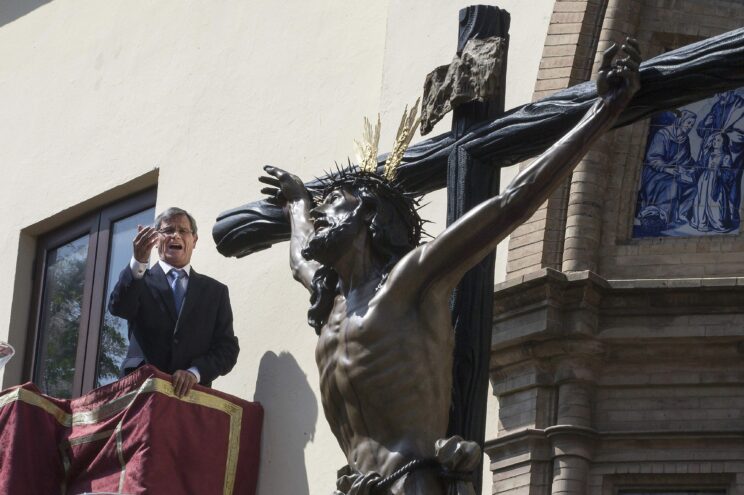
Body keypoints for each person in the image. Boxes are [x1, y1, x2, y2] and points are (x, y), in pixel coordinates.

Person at [259, 40, 641, 495]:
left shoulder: (409, 283)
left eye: (333, 204)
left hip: (411, 482)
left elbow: (510, 203)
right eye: (318, 209)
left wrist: (603, 111)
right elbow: (299, 255)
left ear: (367, 214)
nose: (321, 214)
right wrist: (297, 202)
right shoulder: (329, 302)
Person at [108, 207, 239, 397]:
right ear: (156, 239)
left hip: (189, 399)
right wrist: (138, 261)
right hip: (141, 392)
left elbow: (227, 349)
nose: (175, 235)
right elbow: (119, 307)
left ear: (194, 240)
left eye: (183, 230)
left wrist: (195, 373)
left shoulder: (215, 292)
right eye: (168, 230)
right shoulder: (139, 280)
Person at [638, 109, 697, 228]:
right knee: (672, 184)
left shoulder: (685, 139)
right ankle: (661, 217)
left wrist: (688, 169)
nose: (690, 126)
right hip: (656, 173)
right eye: (688, 123)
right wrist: (668, 169)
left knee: (692, 187)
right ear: (680, 121)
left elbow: (686, 160)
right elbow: (653, 158)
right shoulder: (663, 134)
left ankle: (679, 215)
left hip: (674, 172)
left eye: (692, 124)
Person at [691, 132, 736, 232]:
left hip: (716, 183)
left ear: (724, 143)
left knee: (715, 202)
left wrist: (718, 170)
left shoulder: (726, 157)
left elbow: (728, 173)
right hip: (704, 180)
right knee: (701, 200)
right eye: (714, 140)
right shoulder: (708, 154)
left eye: (718, 140)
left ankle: (717, 223)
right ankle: (702, 222)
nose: (715, 142)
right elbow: (701, 165)